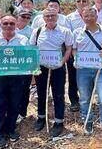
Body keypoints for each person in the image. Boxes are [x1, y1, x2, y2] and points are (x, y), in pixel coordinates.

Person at [0, 15, 31, 147]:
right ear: (0, 25)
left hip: (18, 76)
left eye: (11, 23)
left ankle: (10, 129)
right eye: (5, 23)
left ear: (16, 24)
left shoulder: (23, 40)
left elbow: (29, 57)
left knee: (15, 103)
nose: (8, 26)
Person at [30, 9, 73, 137]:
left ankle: (59, 121)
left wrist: (62, 62)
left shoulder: (65, 31)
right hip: (41, 67)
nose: (50, 18)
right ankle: (41, 117)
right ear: (43, 18)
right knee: (42, 93)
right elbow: (32, 48)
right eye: (47, 16)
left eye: (52, 16)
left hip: (58, 67)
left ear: (57, 17)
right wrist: (34, 66)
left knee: (58, 95)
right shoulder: (37, 31)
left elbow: (69, 48)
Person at [73, 7, 102, 133]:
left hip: (101, 69)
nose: (89, 18)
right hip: (83, 69)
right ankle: (87, 120)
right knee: (85, 98)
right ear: (82, 17)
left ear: (96, 16)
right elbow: (74, 49)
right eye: (86, 16)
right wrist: (76, 58)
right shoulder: (77, 32)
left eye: (91, 16)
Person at [65, 0, 90, 111]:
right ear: (75, 3)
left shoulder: (92, 15)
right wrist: (70, 51)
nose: (81, 3)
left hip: (90, 53)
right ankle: (74, 101)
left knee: (88, 77)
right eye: (78, 1)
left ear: (88, 2)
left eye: (84, 1)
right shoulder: (69, 18)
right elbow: (68, 36)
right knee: (73, 78)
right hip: (74, 52)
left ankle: (87, 99)